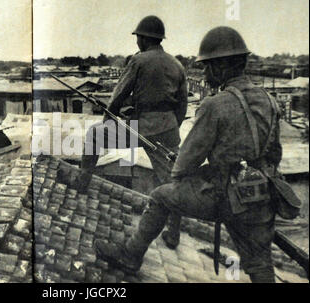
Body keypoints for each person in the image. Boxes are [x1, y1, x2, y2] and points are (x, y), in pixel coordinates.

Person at [95, 26, 283, 283]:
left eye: (207, 67)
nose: (204, 73)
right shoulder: (270, 102)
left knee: (160, 196)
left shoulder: (215, 105)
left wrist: (186, 171)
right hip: (260, 196)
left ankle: (131, 255)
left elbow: (184, 165)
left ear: (222, 67)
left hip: (222, 196)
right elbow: (275, 155)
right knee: (261, 265)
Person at [77, 16, 188, 245]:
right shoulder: (177, 64)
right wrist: (169, 125)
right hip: (167, 128)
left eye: (138, 37)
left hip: (142, 127)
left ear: (145, 39)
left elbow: (118, 94)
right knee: (170, 182)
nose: (137, 41)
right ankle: (174, 234)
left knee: (94, 135)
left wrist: (111, 118)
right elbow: (182, 105)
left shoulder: (139, 61)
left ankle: (81, 184)